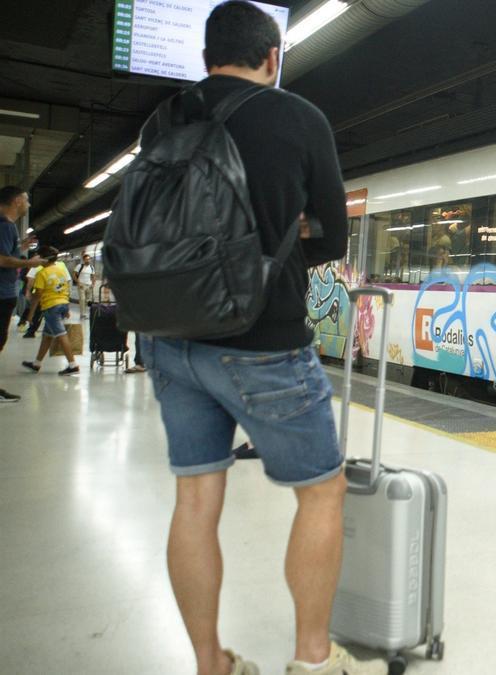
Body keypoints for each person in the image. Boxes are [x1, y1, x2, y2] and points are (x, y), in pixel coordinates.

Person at [133, 4, 380, 674]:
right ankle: (312, 659)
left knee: (194, 497)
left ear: (206, 54)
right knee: (321, 492)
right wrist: (287, 228)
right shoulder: (298, 118)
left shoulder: (165, 118)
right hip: (262, 339)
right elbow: (331, 236)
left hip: (168, 336)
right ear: (273, 55)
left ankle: (212, 661)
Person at [0, 186, 44, 401]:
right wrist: (31, 262)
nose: (28, 204)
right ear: (16, 201)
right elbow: (2, 260)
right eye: (26, 200)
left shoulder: (7, 228)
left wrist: (20, 246)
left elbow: (6, 253)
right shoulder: (5, 226)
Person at [21, 246, 80, 376]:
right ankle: (36, 364)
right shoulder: (61, 271)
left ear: (43, 259)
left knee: (61, 335)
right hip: (62, 304)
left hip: (51, 307)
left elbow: (37, 297)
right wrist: (67, 307)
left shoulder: (42, 273)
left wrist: (30, 316)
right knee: (47, 336)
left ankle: (73, 365)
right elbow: (66, 289)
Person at [74, 252, 96, 319]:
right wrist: (79, 283)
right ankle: (82, 314)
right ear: (84, 260)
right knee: (82, 299)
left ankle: (85, 313)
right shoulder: (79, 266)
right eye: (86, 259)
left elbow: (93, 276)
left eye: (89, 259)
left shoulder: (92, 267)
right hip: (81, 285)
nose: (88, 260)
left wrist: (93, 284)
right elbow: (74, 275)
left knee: (87, 300)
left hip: (89, 285)